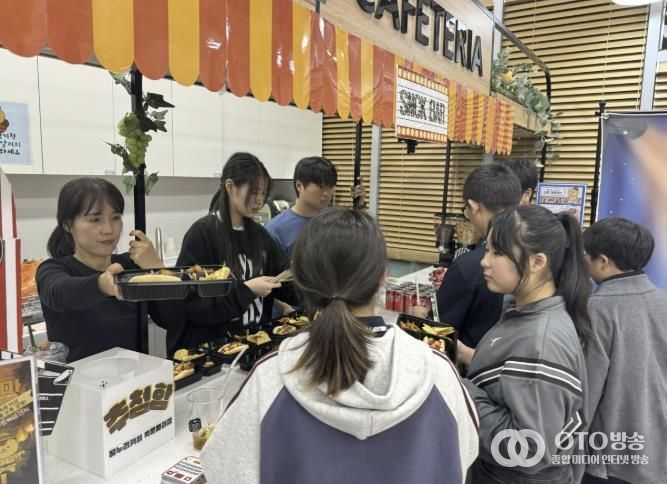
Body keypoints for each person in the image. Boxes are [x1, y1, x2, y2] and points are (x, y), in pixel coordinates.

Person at [200, 208, 479, 484]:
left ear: (303, 281)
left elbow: (224, 469)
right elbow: (464, 454)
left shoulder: (271, 377)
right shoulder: (438, 372)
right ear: (383, 276)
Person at [463, 205, 592, 484]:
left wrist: (459, 390)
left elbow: (528, 449)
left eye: (497, 253)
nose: (485, 261)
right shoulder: (526, 312)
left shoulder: (541, 342)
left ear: (537, 262)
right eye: (487, 250)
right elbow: (508, 380)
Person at [36, 178, 172, 362]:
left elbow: (170, 320)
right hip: (78, 379)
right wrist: (102, 284)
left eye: (115, 217)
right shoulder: (54, 269)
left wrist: (158, 269)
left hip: (135, 377)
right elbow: (59, 292)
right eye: (95, 219)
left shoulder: (130, 265)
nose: (108, 229)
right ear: (68, 224)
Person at [174, 152, 297, 351]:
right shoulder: (203, 233)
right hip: (216, 351)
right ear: (230, 186)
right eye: (254, 192)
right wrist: (247, 290)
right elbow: (193, 305)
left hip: (255, 347)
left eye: (263, 193)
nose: (260, 200)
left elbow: (285, 284)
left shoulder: (261, 235)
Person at [582, 218, 667, 484]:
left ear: (603, 261)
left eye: (586, 255)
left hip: (612, 456)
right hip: (659, 451)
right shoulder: (664, 301)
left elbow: (587, 391)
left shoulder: (597, 309)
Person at [427, 164, 521, 357]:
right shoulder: (529, 254)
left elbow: (436, 335)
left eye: (466, 210)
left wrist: (421, 318)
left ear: (475, 206)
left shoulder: (469, 266)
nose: (487, 262)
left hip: (468, 370)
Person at [265, 156, 366, 257]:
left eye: (330, 186)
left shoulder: (333, 221)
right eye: (321, 187)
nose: (327, 193)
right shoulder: (275, 230)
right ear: (299, 186)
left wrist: (360, 204)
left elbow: (359, 243)